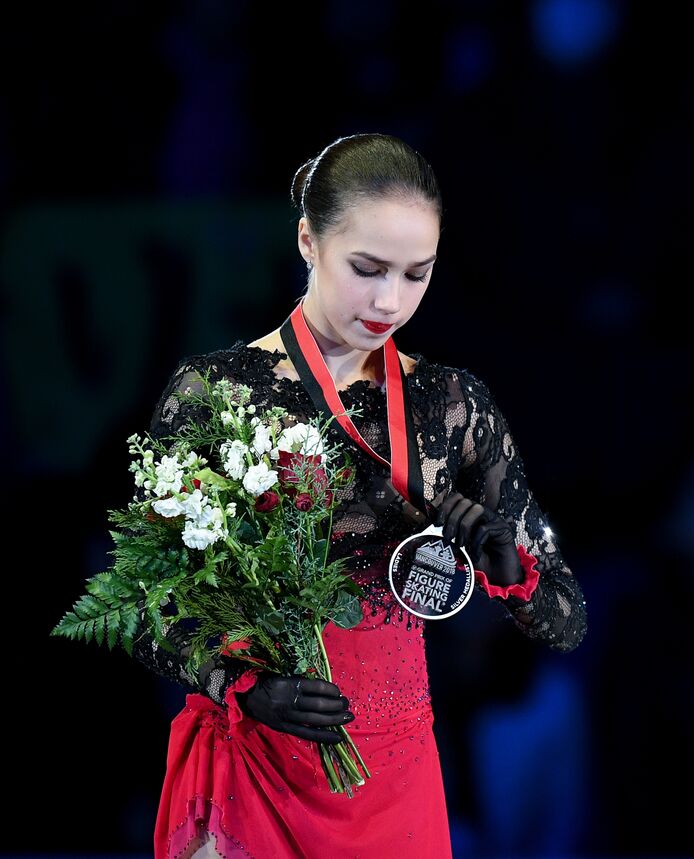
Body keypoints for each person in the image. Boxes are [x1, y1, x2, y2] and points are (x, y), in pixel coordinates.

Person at [131, 133, 588, 858]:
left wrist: (508, 566)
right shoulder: (215, 392)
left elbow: (567, 621)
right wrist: (243, 688)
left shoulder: (450, 405)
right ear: (308, 241)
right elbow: (148, 605)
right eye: (367, 269)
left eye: (417, 274)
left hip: (395, 777)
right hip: (253, 762)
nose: (389, 301)